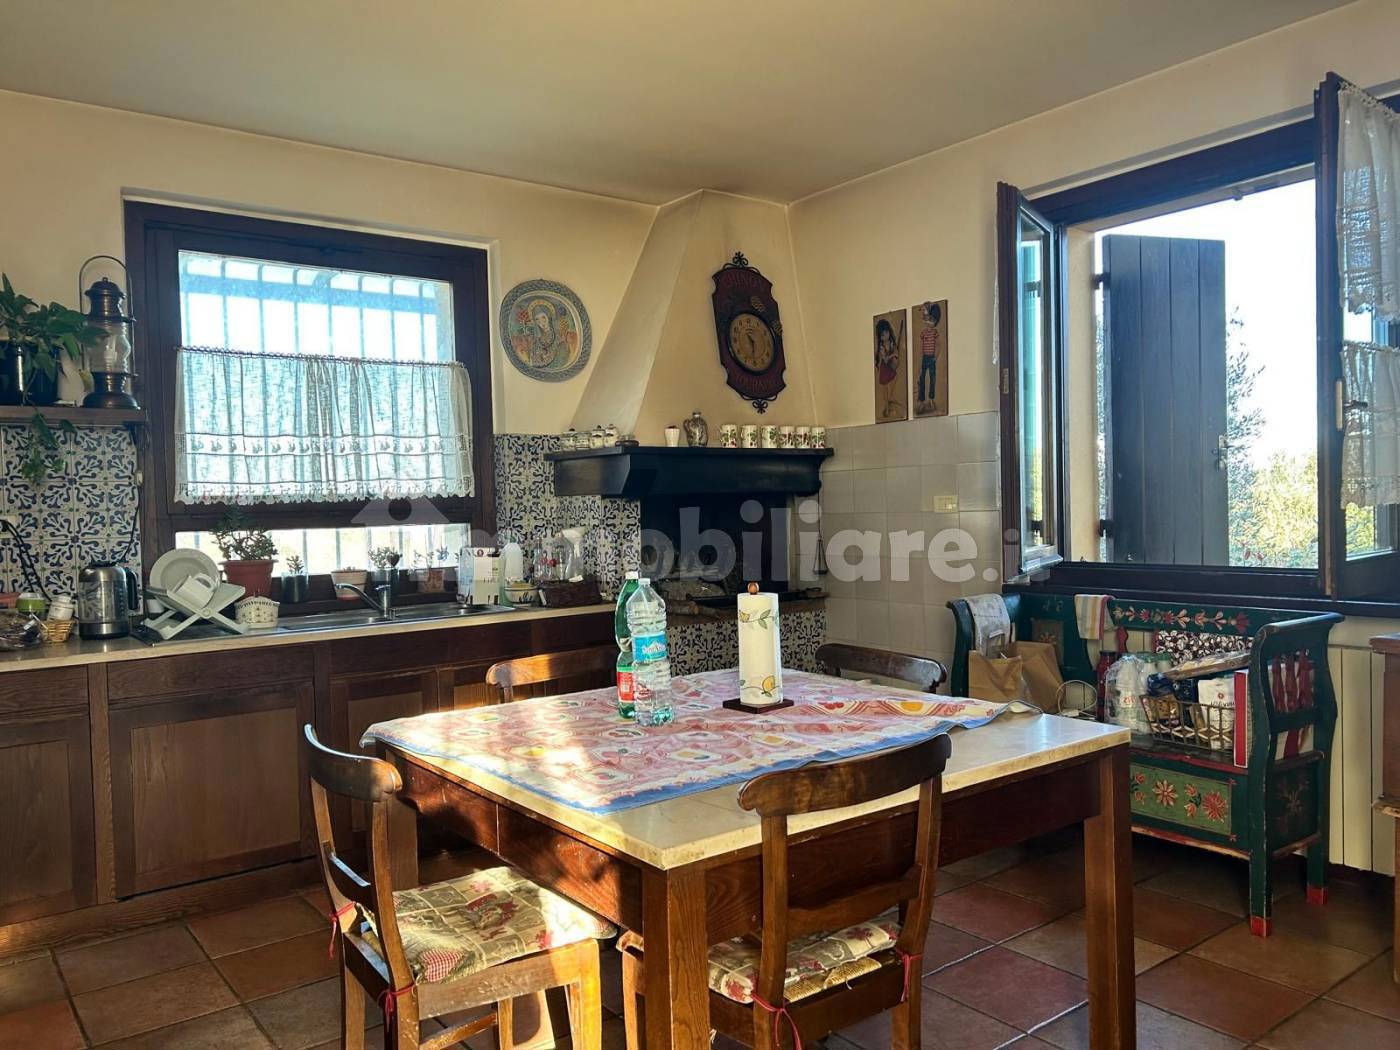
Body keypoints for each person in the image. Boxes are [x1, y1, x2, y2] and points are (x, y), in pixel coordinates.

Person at [918, 301, 942, 405]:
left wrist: (935, 357)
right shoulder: (923, 333)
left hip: (931, 357)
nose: (928, 322)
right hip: (925, 357)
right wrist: (921, 356)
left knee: (932, 378)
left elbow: (938, 345)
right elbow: (921, 346)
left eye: (931, 320)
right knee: (922, 378)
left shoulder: (935, 332)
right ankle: (921, 399)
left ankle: (931, 398)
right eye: (927, 319)